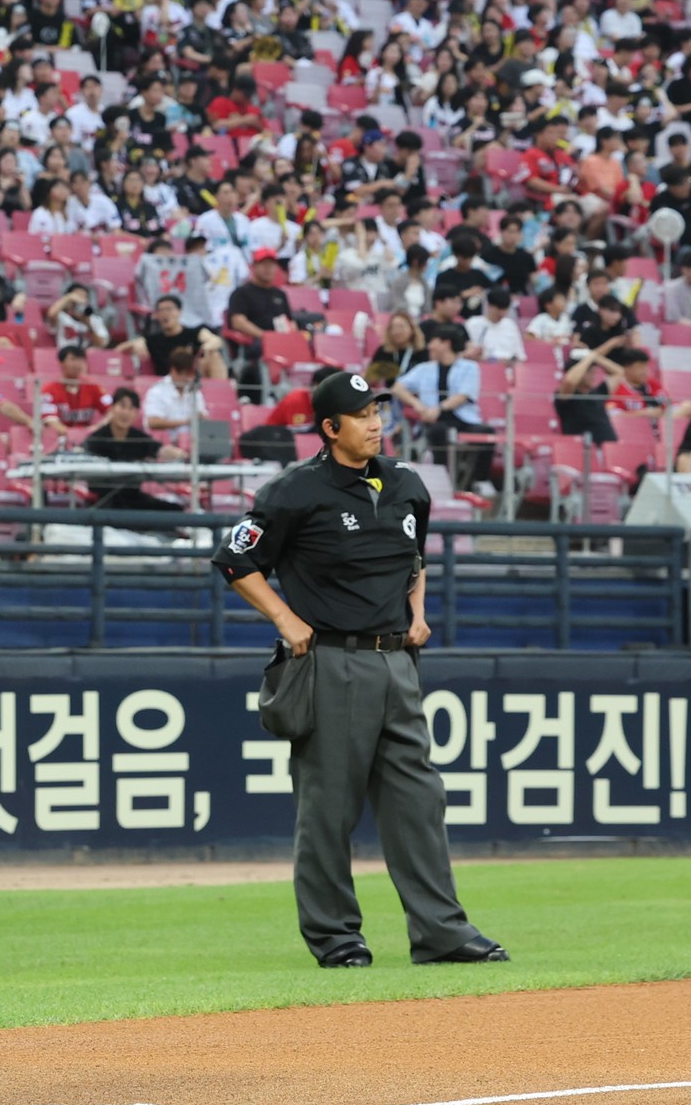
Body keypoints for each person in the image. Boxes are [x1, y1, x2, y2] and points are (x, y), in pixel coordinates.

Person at [213, 370, 506, 970]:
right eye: (361, 413)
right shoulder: (294, 491)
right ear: (329, 427)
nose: (375, 422)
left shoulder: (406, 484)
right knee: (329, 807)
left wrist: (418, 610)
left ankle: (441, 932)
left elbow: (415, 556)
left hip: (398, 661)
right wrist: (285, 620)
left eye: (377, 410)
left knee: (419, 802)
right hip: (332, 661)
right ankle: (336, 936)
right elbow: (235, 557)